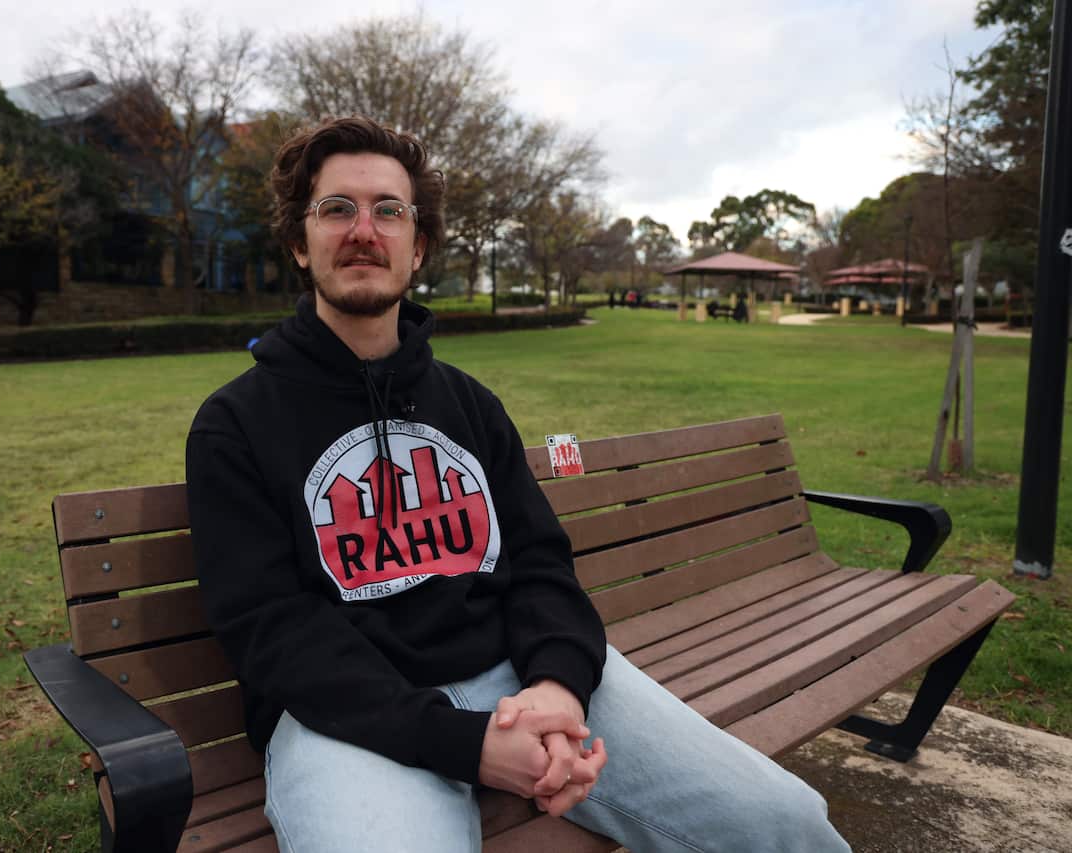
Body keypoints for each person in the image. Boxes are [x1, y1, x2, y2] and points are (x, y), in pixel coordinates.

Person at [185, 116, 850, 853]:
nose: (363, 231)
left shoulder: (469, 404)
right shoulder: (235, 425)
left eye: (389, 210)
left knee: (787, 824)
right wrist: (464, 743)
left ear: (419, 244)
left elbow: (540, 563)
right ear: (298, 242)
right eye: (337, 208)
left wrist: (558, 688)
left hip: (518, 674)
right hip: (348, 714)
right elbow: (272, 630)